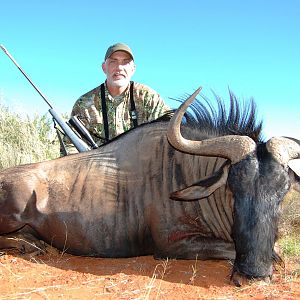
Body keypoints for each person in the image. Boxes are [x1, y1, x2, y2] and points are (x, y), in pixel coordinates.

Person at [65, 42, 169, 154]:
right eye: (113, 62)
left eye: (125, 62)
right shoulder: (84, 103)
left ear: (133, 69)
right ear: (104, 67)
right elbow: (69, 145)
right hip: (96, 166)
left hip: (140, 165)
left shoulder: (149, 98)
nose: (119, 68)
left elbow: (169, 132)